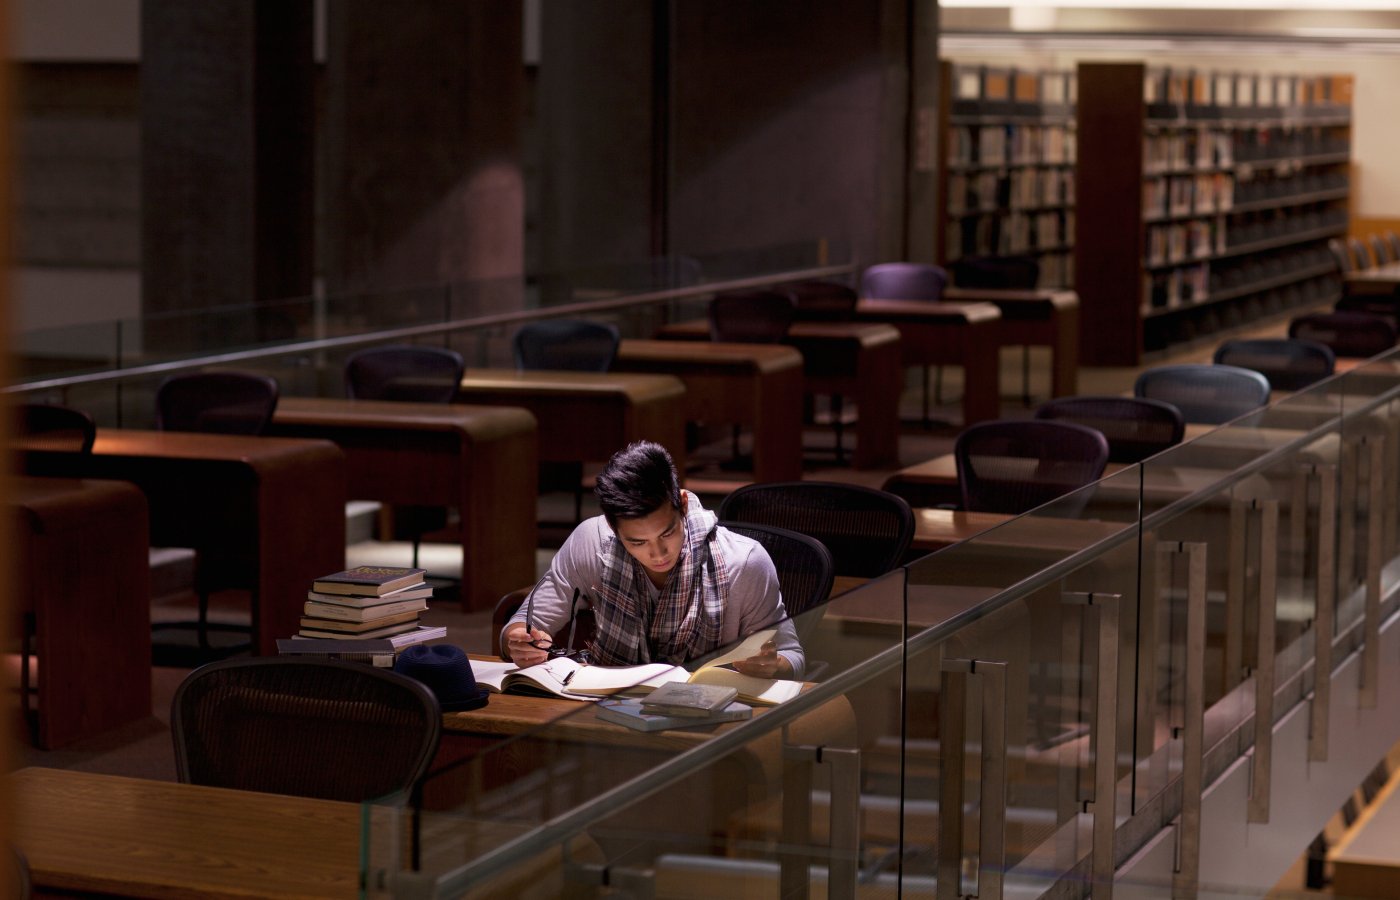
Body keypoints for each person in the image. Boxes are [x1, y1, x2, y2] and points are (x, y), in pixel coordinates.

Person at [503, 440, 804, 678]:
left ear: (683, 505)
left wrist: (774, 664)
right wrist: (519, 641)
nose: (658, 554)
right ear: (612, 526)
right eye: (637, 542)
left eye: (667, 533)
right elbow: (524, 624)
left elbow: (792, 655)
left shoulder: (744, 561)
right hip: (607, 705)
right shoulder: (591, 542)